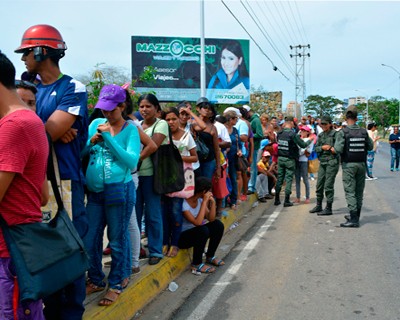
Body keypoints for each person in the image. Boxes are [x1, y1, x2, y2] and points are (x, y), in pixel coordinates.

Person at [15, 24, 89, 319]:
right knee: (40, 254)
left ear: (39, 51)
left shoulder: (73, 88)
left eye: (25, 53)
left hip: (65, 183)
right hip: (30, 183)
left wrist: (46, 131)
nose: (22, 60)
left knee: (69, 254)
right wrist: (47, 130)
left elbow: (44, 133)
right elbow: (40, 133)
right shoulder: (24, 89)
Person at [0, 51, 48, 320]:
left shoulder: (13, 126)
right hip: (23, 250)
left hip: (8, 255)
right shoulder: (31, 122)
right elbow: (41, 196)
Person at [82, 84, 140, 306]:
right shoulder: (96, 124)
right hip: (95, 193)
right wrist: (92, 142)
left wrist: (109, 139)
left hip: (119, 190)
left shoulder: (130, 129)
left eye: (111, 109)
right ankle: (95, 278)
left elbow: (131, 161)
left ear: (122, 106)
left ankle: (115, 283)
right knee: (90, 239)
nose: (106, 113)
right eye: (103, 109)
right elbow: (85, 152)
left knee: (116, 240)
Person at [161, 107, 198, 257]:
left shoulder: (186, 136)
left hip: (179, 182)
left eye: (173, 119)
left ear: (179, 119)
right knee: (163, 215)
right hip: (162, 181)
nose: (171, 122)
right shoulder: (161, 136)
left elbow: (194, 157)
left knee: (176, 213)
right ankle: (164, 242)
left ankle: (175, 243)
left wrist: (178, 158)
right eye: (167, 119)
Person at [136, 93, 168, 265]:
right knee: (134, 215)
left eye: (148, 106)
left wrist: (135, 160)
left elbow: (153, 146)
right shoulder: (137, 124)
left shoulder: (161, 124)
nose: (144, 109)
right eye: (141, 106)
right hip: (135, 176)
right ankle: (137, 249)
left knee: (153, 214)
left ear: (156, 108)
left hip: (152, 176)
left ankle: (156, 250)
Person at [334, 106, 373, 228]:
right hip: (361, 164)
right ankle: (356, 216)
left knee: (350, 191)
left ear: (346, 118)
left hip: (349, 165)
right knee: (359, 192)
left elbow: (338, 149)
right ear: (356, 118)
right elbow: (370, 147)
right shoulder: (363, 131)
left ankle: (354, 219)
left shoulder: (343, 132)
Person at [178, 177, 225, 274]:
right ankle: (196, 263)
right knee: (202, 230)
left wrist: (212, 202)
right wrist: (204, 202)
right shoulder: (184, 204)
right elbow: (197, 223)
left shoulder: (199, 200)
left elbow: (211, 219)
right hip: (182, 238)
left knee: (218, 225)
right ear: (204, 191)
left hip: (196, 233)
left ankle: (210, 256)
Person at [274, 116, 311, 207]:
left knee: (280, 178)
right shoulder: (292, 134)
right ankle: (286, 200)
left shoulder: (280, 133)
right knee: (289, 178)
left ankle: (277, 199)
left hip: (281, 158)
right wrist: (309, 141)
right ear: (291, 123)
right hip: (289, 159)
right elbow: (302, 145)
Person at [309, 116, 340, 215]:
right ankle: (319, 205)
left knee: (328, 185)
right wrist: (322, 147)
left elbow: (339, 148)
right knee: (319, 185)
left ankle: (328, 207)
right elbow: (316, 148)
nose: (323, 126)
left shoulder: (336, 134)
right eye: (322, 124)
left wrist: (331, 148)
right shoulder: (321, 135)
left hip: (332, 162)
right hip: (322, 162)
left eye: (325, 124)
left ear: (330, 124)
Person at [192, 98, 221, 180]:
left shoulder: (213, 127)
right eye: (205, 108)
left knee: (206, 185)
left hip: (209, 161)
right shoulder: (192, 123)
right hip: (194, 160)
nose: (207, 111)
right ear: (198, 109)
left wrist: (218, 167)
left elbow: (216, 148)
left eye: (210, 109)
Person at [223, 110, 243, 210]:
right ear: (230, 119)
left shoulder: (235, 130)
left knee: (233, 177)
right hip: (224, 158)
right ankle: (225, 199)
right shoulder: (222, 128)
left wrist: (239, 150)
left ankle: (233, 200)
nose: (236, 120)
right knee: (224, 178)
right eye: (235, 118)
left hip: (234, 157)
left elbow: (239, 143)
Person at [244, 105, 264, 197]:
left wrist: (249, 136)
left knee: (253, 167)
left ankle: (251, 187)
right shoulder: (251, 120)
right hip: (248, 146)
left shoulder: (255, 120)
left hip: (254, 147)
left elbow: (260, 134)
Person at [294, 125, 314, 204]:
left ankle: (307, 197)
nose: (302, 132)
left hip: (304, 161)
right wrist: (302, 151)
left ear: (307, 132)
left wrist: (301, 151)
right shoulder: (299, 139)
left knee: (305, 180)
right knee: (297, 180)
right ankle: (298, 197)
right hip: (297, 160)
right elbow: (302, 150)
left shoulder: (309, 140)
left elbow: (308, 152)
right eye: (301, 130)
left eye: (304, 131)